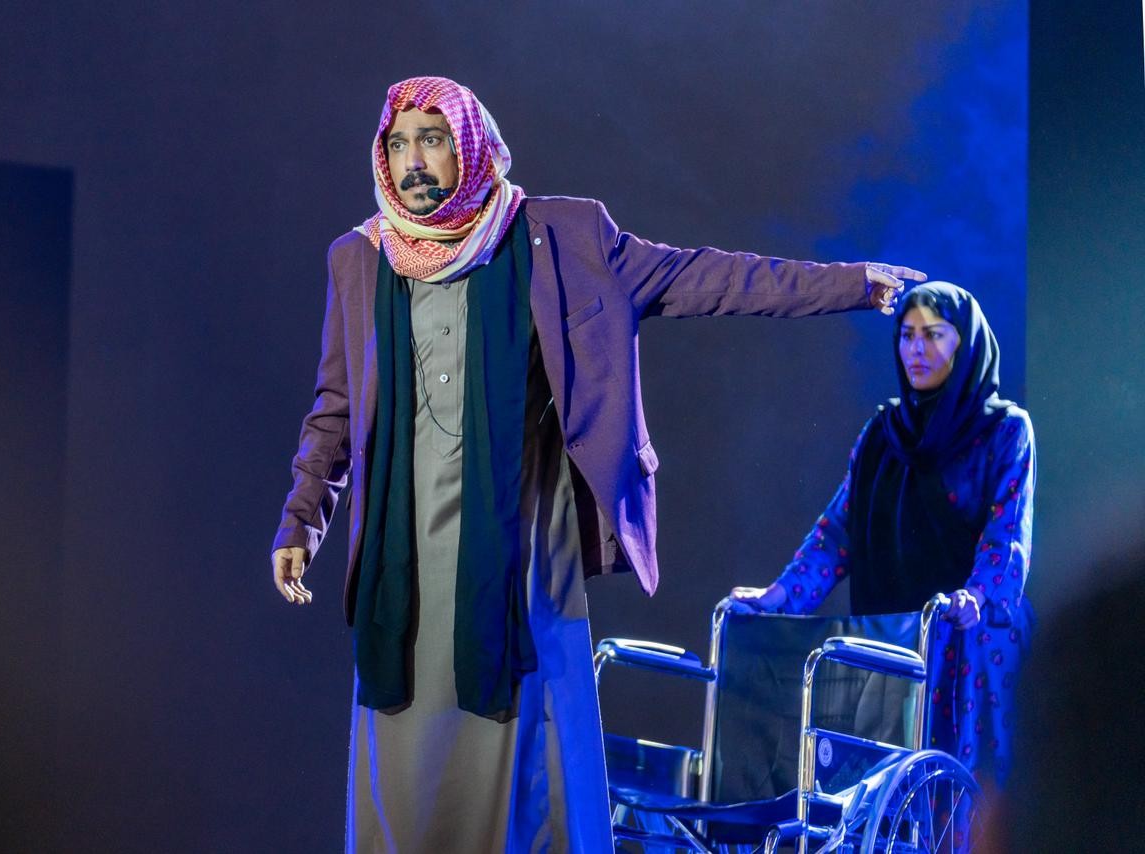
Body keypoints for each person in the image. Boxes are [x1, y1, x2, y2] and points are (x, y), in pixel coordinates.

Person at [270, 76, 923, 852]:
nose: (413, 161)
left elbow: (709, 277)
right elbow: (337, 408)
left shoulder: (560, 238)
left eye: (433, 140)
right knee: (409, 772)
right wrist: (301, 521)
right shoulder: (360, 259)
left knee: (525, 768)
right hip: (403, 564)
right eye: (399, 143)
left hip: (518, 552)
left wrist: (852, 285)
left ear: (470, 147)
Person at [731, 282, 1034, 790]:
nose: (916, 349)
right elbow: (836, 535)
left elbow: (1006, 537)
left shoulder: (1004, 430)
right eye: (907, 335)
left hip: (971, 645)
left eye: (933, 335)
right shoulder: (883, 434)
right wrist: (777, 597)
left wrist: (976, 596)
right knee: (883, 797)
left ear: (965, 343)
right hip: (897, 644)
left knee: (962, 800)